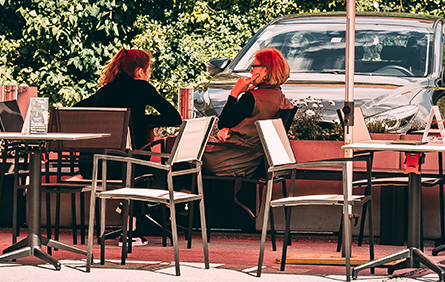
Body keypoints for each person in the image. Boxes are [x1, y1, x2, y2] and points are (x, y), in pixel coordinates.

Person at [76, 48, 182, 245]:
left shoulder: (103, 92)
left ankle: (129, 216)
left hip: (92, 165)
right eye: (149, 69)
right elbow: (174, 117)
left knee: (138, 160)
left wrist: (136, 121)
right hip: (125, 165)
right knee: (145, 163)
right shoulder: (142, 87)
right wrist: (142, 122)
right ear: (140, 71)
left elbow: (73, 111)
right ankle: (134, 229)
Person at [203, 47, 294, 178]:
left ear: (265, 71)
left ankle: (181, 196)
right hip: (252, 160)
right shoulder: (282, 100)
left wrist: (235, 92)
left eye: (254, 66)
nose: (251, 71)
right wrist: (227, 129)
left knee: (185, 148)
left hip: (229, 158)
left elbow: (223, 122)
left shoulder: (252, 98)